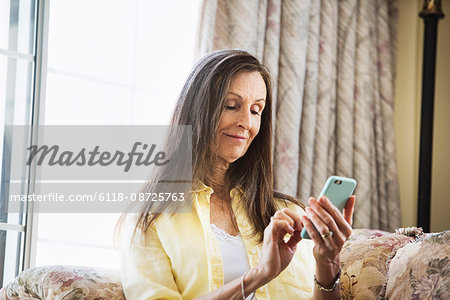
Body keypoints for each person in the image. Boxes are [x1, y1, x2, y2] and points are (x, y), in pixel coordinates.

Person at [116, 49, 356, 300]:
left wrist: (328, 265)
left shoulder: (289, 212)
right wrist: (257, 276)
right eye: (231, 105)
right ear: (197, 110)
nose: (246, 122)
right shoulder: (147, 220)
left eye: (255, 110)